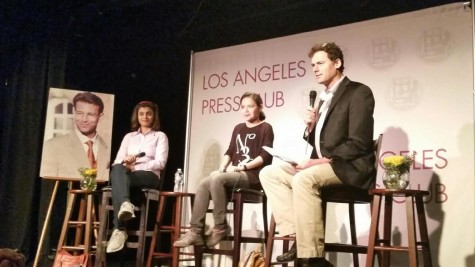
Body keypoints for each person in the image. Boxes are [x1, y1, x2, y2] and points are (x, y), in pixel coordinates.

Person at [259, 42, 375, 267]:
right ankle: (298, 237)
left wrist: (318, 161)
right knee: (270, 173)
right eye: (312, 65)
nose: (315, 68)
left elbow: (359, 143)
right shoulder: (323, 98)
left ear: (337, 63)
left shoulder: (358, 92)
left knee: (304, 177)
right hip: (325, 165)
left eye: (320, 63)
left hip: (351, 168)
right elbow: (320, 143)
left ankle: (311, 258)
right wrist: (309, 128)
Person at [173, 92, 274, 248]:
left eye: (250, 106)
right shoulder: (238, 128)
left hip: (253, 176)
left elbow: (265, 156)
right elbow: (230, 151)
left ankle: (220, 227)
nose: (246, 110)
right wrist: (222, 168)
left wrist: (244, 166)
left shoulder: (266, 128)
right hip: (235, 174)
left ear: (260, 107)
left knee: (216, 180)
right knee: (204, 183)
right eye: (243, 107)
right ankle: (195, 231)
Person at [106, 101, 169, 253]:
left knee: (119, 179)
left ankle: (119, 229)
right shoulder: (129, 137)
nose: (145, 117)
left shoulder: (160, 136)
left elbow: (160, 163)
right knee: (117, 169)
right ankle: (126, 205)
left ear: (154, 116)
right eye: (141, 114)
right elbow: (117, 161)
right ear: (137, 116)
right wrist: (125, 161)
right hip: (129, 174)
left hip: (149, 176)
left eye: (148, 113)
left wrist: (136, 167)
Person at [40, 91, 111, 180]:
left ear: (100, 117)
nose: (84, 119)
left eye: (90, 114)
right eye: (80, 113)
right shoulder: (52, 146)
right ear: (74, 111)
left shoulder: (108, 149)